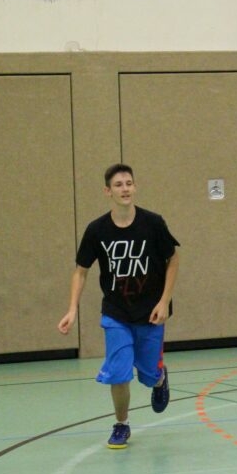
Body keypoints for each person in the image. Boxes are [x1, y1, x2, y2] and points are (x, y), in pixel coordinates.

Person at [58, 164, 180, 448]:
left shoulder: (153, 223)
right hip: (116, 313)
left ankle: (159, 378)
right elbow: (81, 271)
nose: (125, 189)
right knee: (119, 372)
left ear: (135, 187)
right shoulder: (97, 230)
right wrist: (72, 309)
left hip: (150, 312)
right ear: (107, 191)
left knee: (148, 375)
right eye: (118, 185)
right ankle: (121, 424)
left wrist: (164, 301)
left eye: (128, 183)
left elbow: (173, 259)